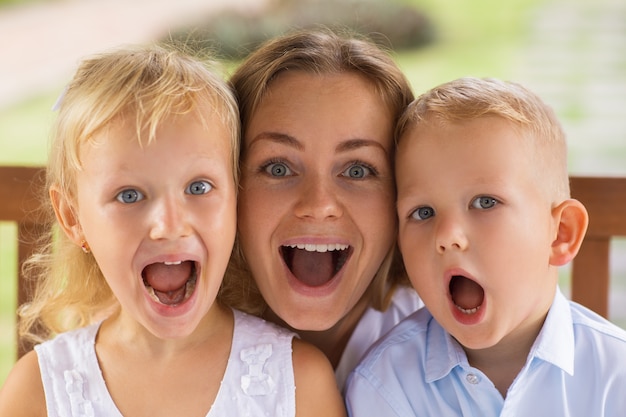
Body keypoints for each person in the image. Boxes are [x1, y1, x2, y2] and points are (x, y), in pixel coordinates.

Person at [0, 44, 345, 417]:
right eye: (129, 195)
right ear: (72, 217)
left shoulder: (296, 381)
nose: (169, 225)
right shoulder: (38, 390)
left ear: (236, 199)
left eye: (198, 188)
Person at [345, 77, 626, 416]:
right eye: (423, 212)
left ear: (560, 233)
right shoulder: (386, 385)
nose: (447, 235)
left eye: (485, 202)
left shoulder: (615, 377)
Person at [228, 28, 423, 390]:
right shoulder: (166, 351)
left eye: (357, 170)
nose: (318, 205)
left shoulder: (453, 343)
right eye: (278, 168)